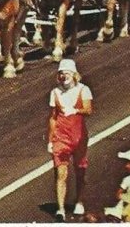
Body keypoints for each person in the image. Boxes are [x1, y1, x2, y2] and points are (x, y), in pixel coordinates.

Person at [48, 59, 93, 221]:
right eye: (60, 73)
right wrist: (50, 139)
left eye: (66, 73)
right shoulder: (55, 93)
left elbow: (88, 110)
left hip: (79, 137)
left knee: (80, 171)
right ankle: (60, 208)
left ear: (73, 74)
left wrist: (76, 110)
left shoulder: (83, 90)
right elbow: (53, 118)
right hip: (61, 138)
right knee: (61, 173)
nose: (63, 76)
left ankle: (79, 201)